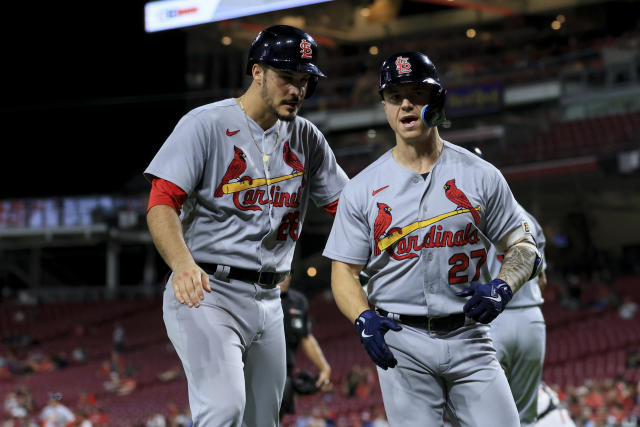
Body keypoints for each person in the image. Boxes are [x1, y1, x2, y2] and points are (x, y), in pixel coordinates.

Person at [323, 51, 541, 426]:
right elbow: (344, 271)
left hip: (470, 336)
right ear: (385, 106)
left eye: (417, 92)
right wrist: (362, 317)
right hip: (400, 340)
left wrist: (503, 286)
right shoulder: (362, 189)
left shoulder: (481, 175)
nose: (406, 103)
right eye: (395, 95)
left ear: (436, 99)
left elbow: (522, 245)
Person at [145, 25, 348, 427]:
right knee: (223, 410)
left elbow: (348, 209)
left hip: (270, 299)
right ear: (257, 72)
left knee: (262, 421)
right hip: (207, 290)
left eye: (304, 80)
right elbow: (160, 203)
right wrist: (182, 264)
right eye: (287, 77)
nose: (297, 90)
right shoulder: (206, 124)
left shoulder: (306, 137)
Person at [488, 205, 547, 427]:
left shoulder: (467, 217)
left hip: (489, 321)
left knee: (487, 416)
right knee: (526, 418)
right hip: (530, 318)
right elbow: (542, 279)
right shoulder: (527, 217)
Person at [278, 274, 332, 420]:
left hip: (285, 372)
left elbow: (305, 337)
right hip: (255, 368)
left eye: (287, 273)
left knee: (275, 420)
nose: (284, 278)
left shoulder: (298, 300)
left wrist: (324, 368)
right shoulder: (256, 294)